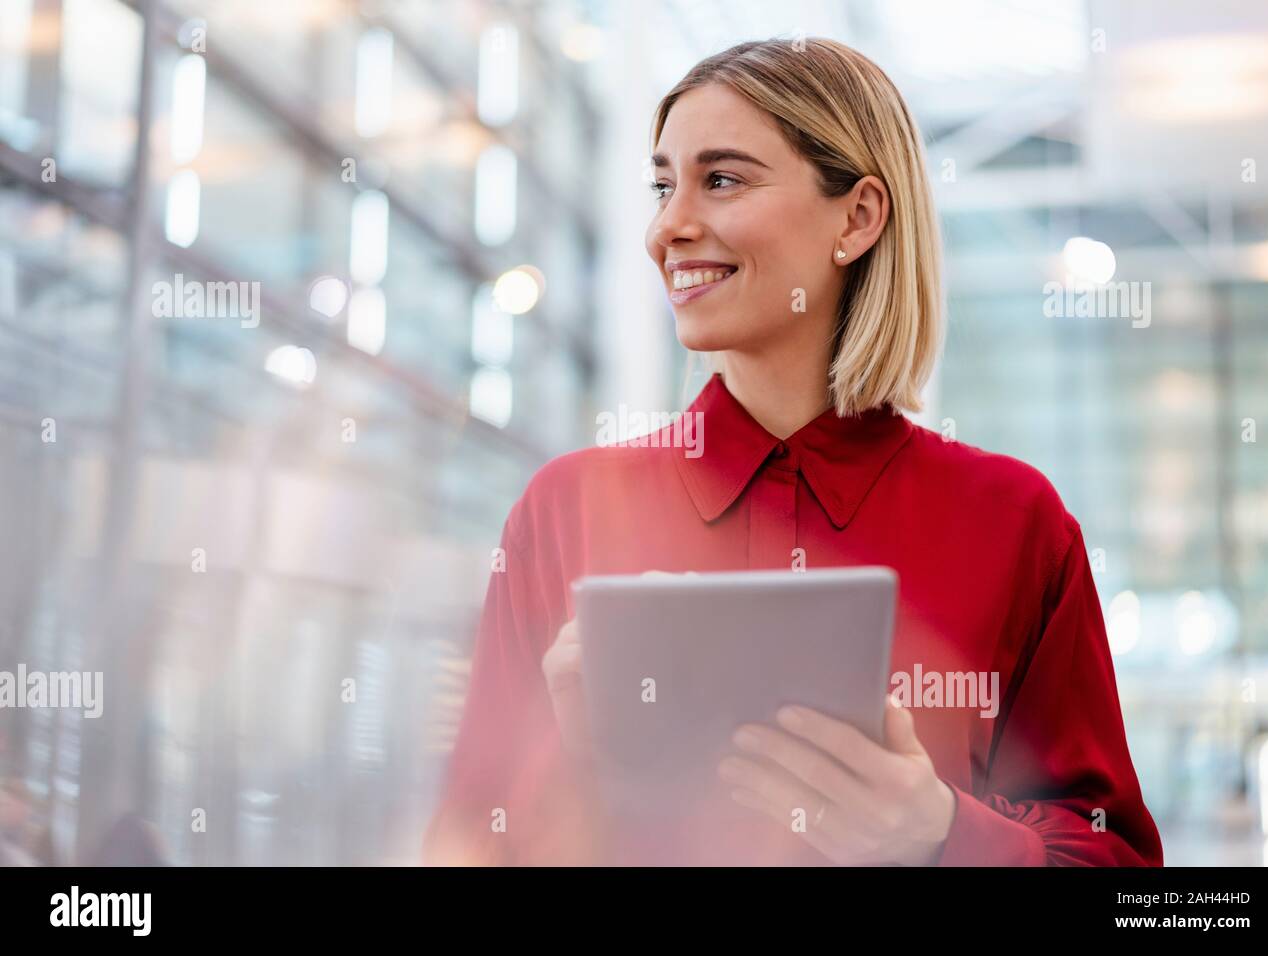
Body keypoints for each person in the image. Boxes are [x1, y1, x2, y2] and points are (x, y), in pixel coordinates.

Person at [423, 37, 1163, 866]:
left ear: (858, 217)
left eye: (723, 179)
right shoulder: (565, 510)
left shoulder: (1013, 522)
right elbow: (468, 840)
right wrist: (563, 767)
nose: (668, 227)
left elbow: (1126, 875)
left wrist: (942, 834)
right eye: (663, 185)